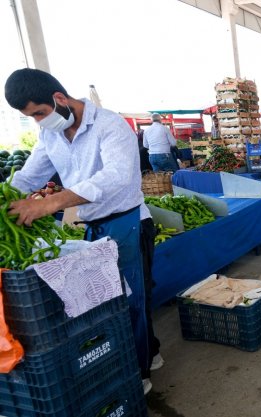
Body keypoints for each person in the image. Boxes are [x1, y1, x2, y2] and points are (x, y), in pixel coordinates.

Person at [4, 68, 160, 394]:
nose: (38, 122)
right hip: (93, 226)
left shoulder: (110, 125)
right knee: (109, 301)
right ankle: (150, 351)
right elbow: (28, 177)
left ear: (59, 99)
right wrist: (6, 199)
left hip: (128, 221)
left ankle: (140, 372)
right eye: (31, 117)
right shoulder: (51, 136)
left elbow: (116, 176)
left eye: (39, 113)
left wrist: (52, 202)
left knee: (132, 301)